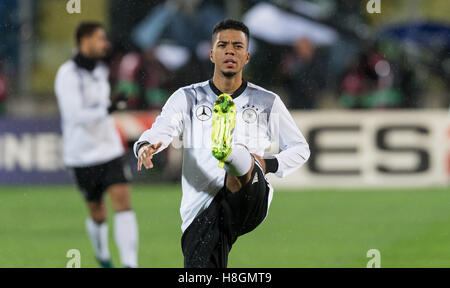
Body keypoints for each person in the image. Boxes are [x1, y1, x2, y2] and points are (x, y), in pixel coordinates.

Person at [135, 19, 310, 268]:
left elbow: (300, 148)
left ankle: (230, 153)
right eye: (223, 45)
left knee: (241, 161)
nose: (230, 50)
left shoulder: (266, 101)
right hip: (201, 206)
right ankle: (231, 154)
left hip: (251, 194)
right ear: (211, 53)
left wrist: (268, 163)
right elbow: (164, 127)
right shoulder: (188, 97)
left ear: (247, 56)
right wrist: (148, 144)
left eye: (238, 46)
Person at [54, 22, 138, 268]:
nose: (105, 44)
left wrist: (111, 104)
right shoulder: (66, 75)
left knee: (123, 201)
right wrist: (108, 108)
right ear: (85, 40)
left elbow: (99, 109)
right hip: (81, 154)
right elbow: (74, 116)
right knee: (98, 212)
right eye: (101, 39)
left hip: (109, 148)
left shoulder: (100, 70)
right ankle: (102, 255)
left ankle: (130, 264)